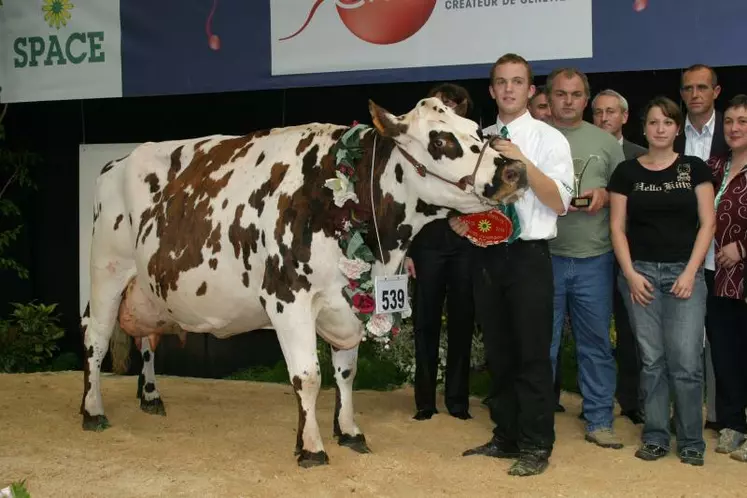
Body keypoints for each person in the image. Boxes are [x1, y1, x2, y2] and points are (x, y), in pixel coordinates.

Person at [456, 53, 574, 477]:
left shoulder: (548, 139)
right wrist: (461, 220)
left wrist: (522, 161)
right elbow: (468, 199)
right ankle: (505, 436)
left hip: (528, 257)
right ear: (491, 90)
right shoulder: (476, 139)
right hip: (487, 255)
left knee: (532, 355)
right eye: (501, 82)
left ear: (531, 90)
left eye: (517, 81)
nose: (508, 89)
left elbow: (560, 202)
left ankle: (537, 444)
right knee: (499, 354)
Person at [609, 96, 716, 466]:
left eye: (667, 122)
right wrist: (630, 274)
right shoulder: (626, 173)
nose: (659, 129)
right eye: (653, 122)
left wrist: (690, 272)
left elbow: (708, 224)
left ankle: (690, 441)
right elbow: (616, 227)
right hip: (640, 276)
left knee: (686, 362)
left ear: (676, 128)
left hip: (683, 275)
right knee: (652, 360)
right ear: (644, 127)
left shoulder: (694, 169)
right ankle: (655, 435)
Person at [546, 68, 626, 449]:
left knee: (595, 344)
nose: (568, 101)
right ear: (550, 97)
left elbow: (624, 195)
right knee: (542, 344)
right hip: (545, 257)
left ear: (586, 99)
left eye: (576, 94)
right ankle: (539, 417)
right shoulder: (538, 138)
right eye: (561, 94)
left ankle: (598, 419)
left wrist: (606, 196)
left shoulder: (606, 142)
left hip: (595, 258)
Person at [405, 83, 476, 421]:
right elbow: (409, 198)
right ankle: (424, 402)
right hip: (427, 245)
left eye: (454, 103)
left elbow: (484, 192)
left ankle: (458, 401)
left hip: (466, 246)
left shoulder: (476, 144)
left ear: (464, 109)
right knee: (425, 323)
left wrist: (467, 219)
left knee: (462, 323)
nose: (447, 108)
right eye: (441, 103)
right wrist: (405, 251)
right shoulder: (417, 148)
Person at [675, 64, 728, 432]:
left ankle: (723, 417)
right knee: (685, 341)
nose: (695, 94)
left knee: (724, 341)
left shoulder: (735, 131)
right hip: (680, 254)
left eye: (702, 87)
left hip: (725, 255)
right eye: (688, 88)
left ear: (716, 91)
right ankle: (687, 414)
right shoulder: (670, 133)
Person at [591, 88, 647, 425]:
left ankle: (631, 400)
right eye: (598, 112)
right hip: (593, 253)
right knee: (595, 331)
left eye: (611, 112)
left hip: (633, 255)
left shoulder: (641, 156)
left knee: (632, 330)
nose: (604, 118)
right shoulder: (579, 150)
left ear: (624, 117)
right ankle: (595, 400)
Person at [704, 94, 747, 460]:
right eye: (730, 121)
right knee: (726, 352)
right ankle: (733, 424)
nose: (734, 128)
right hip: (719, 278)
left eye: (743, 121)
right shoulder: (714, 166)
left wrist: (742, 248)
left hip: (743, 270)